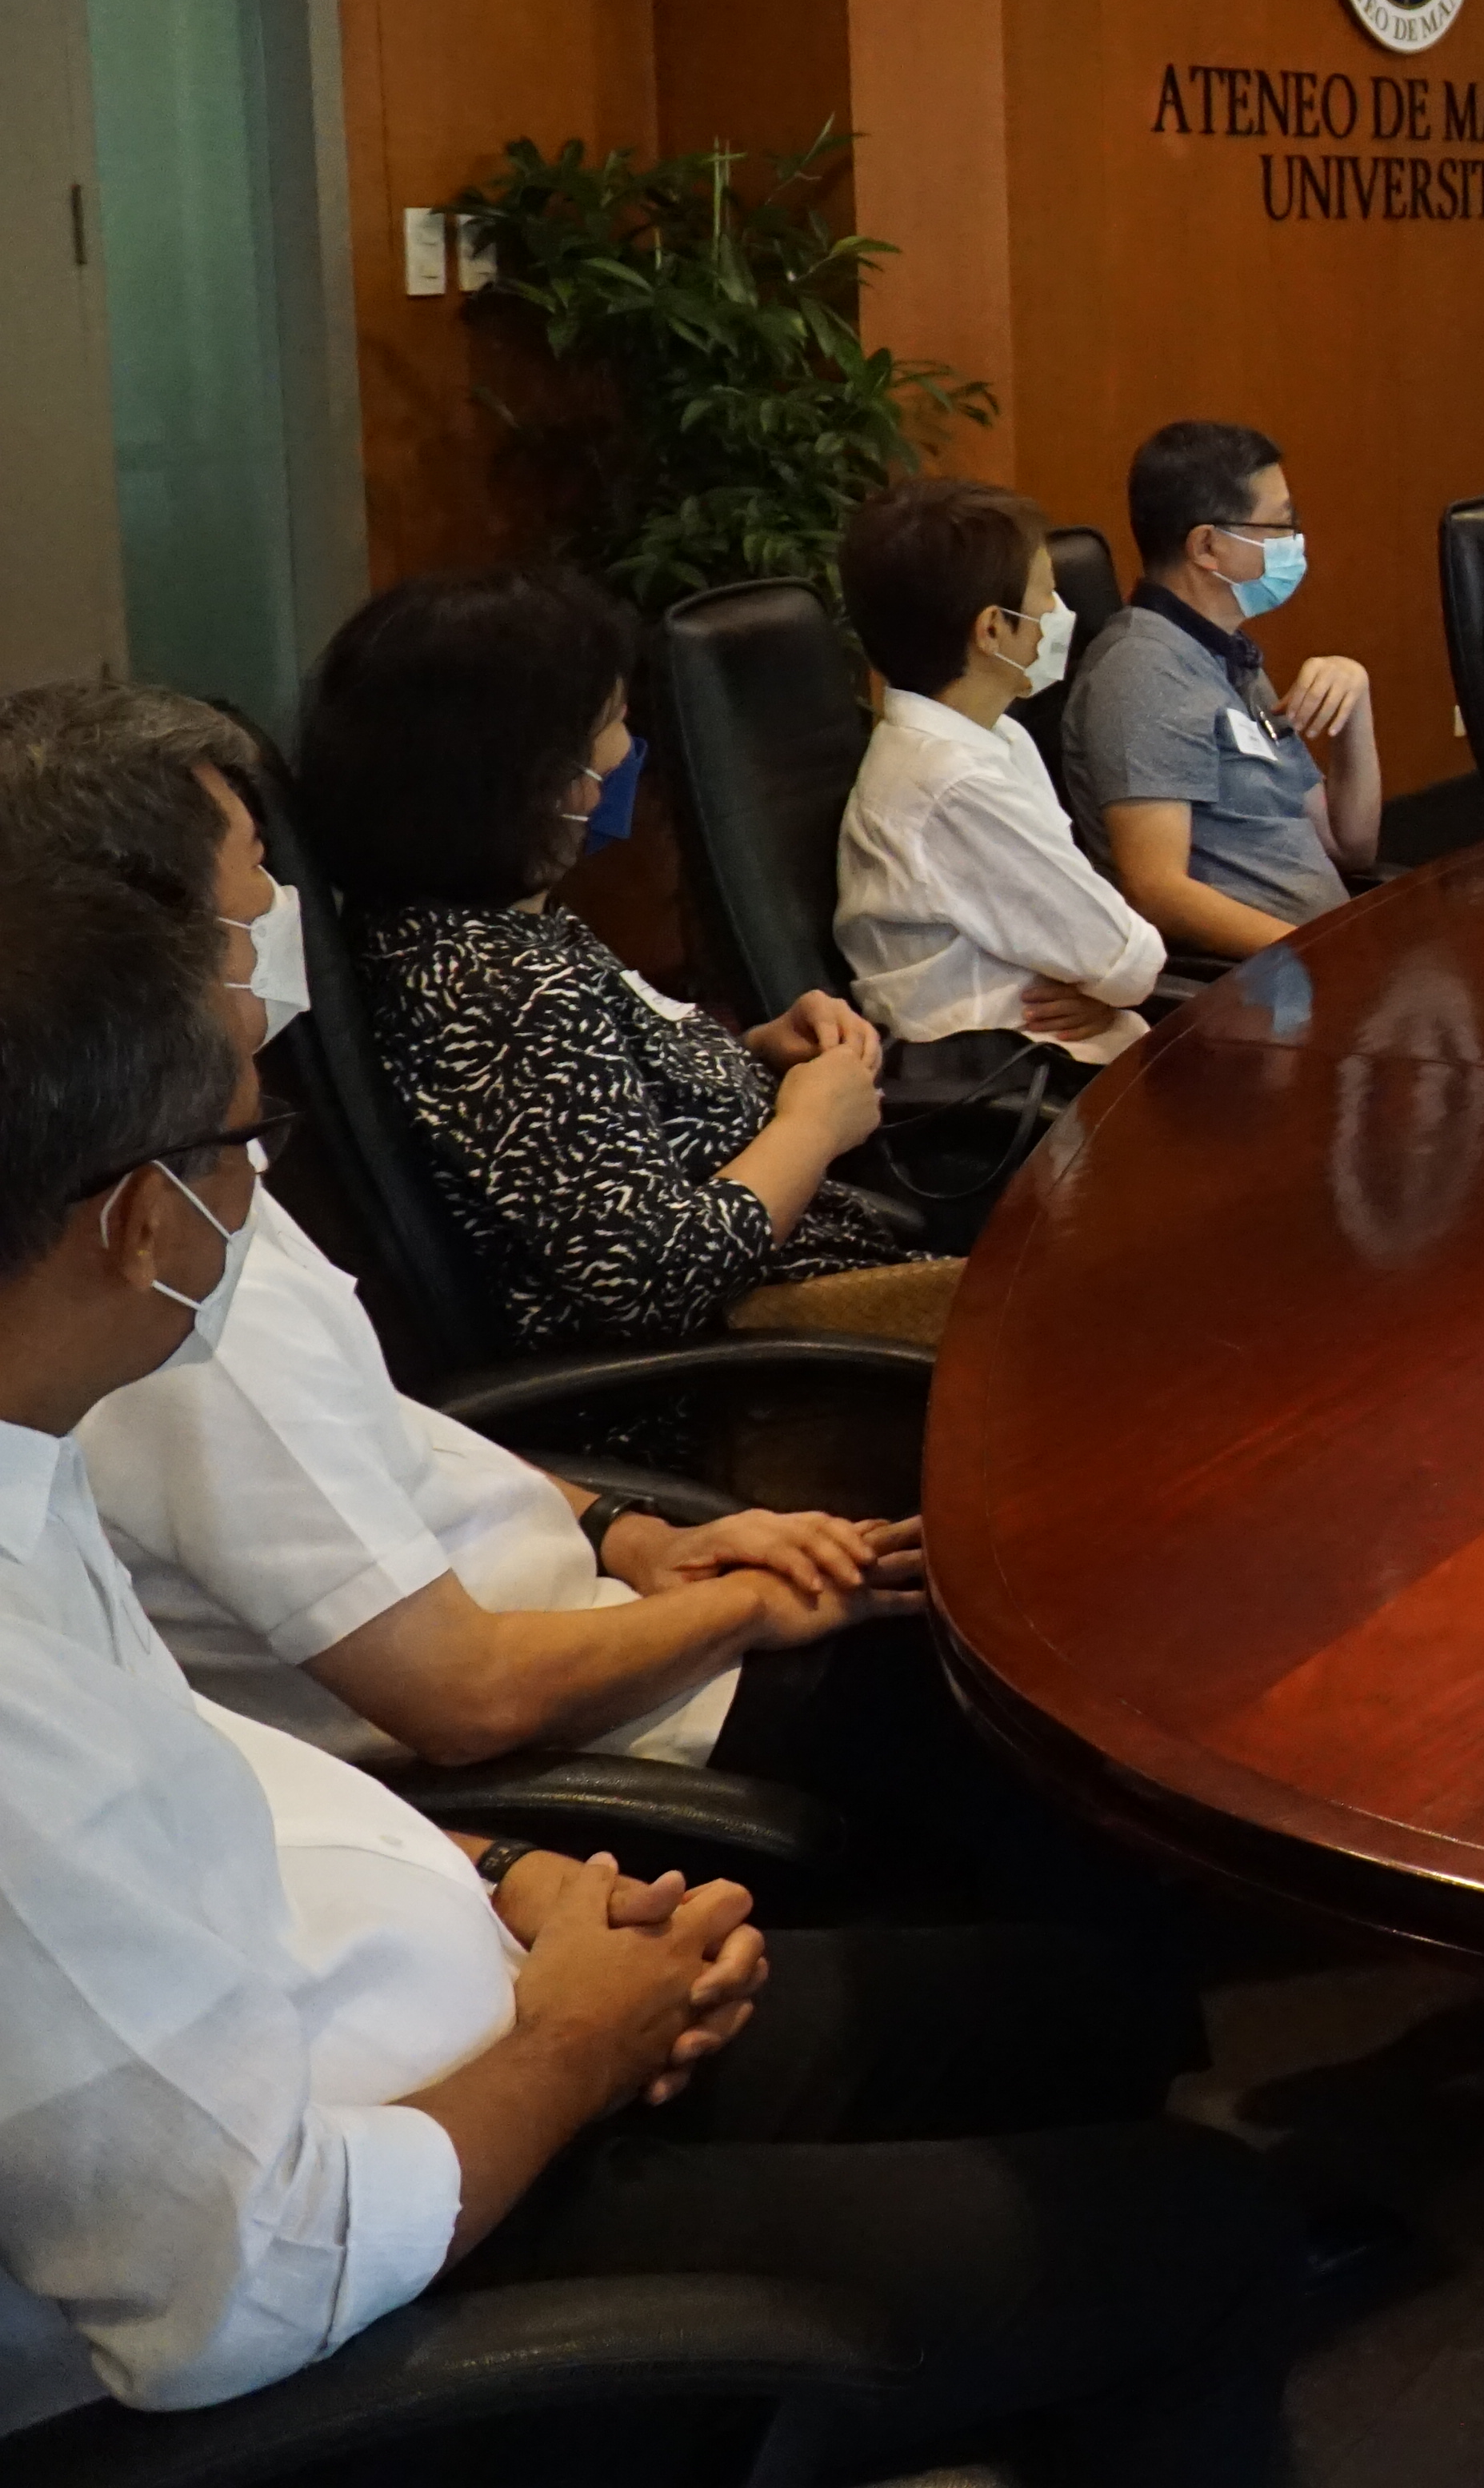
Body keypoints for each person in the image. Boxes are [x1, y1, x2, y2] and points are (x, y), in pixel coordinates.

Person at [0, 863, 1302, 2478]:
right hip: (416, 2254)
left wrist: (518, 1877)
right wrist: (573, 2041)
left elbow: (228, 1780)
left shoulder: (29, 1461)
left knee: (1090, 2002)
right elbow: (243, 2286)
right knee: (1215, 2229)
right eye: (241, 1154)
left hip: (497, 1988)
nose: (257, 1199)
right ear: (138, 1218)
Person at [0, 680, 926, 1787]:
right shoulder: (162, 1292)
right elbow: (466, 1692)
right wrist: (748, 1608)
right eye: (255, 861)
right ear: (154, 925)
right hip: (618, 1722)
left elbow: (388, 1435)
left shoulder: (198, 1168)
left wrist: (633, 1532)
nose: (287, 896)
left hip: (616, 1606)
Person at [298, 569, 958, 1352]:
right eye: (609, 721)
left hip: (807, 1312)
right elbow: (658, 1278)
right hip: (753, 1376)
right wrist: (813, 1124)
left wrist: (754, 1056)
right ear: (529, 776)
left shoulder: (483, 926)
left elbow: (590, 1119)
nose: (625, 751)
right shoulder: (500, 992)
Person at [834, 478, 1166, 1071]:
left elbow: (1100, 952)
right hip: (1009, 1079)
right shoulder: (952, 783)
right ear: (992, 630)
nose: (1061, 616)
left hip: (1064, 1053)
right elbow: (1126, 958)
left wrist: (1101, 980)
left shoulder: (996, 734)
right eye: (1047, 598)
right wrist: (1104, 979)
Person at [1064, 419, 1380, 956]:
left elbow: (1350, 846)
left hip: (1325, 957)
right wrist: (1326, 957)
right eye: (1280, 527)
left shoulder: (1226, 655)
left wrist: (1357, 707)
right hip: (1262, 988)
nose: (1296, 543)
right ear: (1207, 546)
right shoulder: (1141, 671)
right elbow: (1156, 890)